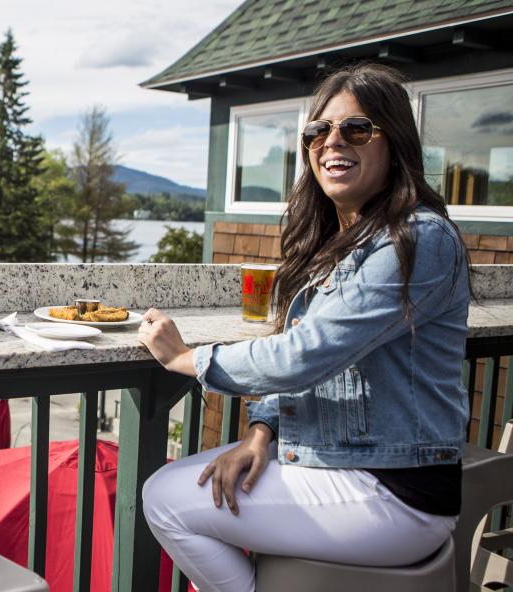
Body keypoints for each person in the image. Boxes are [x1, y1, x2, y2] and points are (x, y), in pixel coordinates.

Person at [138, 62, 470, 592]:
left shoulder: (418, 239)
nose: (332, 141)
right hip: (343, 468)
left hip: (397, 492)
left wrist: (186, 358)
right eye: (319, 131)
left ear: (396, 142)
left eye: (356, 129)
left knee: (165, 500)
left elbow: (304, 355)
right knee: (184, 488)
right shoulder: (342, 244)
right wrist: (261, 432)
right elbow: (316, 363)